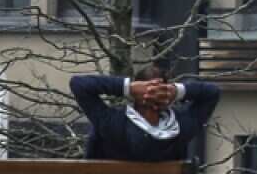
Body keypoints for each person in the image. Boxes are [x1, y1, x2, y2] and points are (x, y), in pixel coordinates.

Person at [70, 63, 220, 161]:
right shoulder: (182, 128)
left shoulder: (112, 125)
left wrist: (128, 87)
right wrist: (176, 91)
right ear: (166, 97)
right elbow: (212, 92)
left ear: (136, 96)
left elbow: (79, 84)